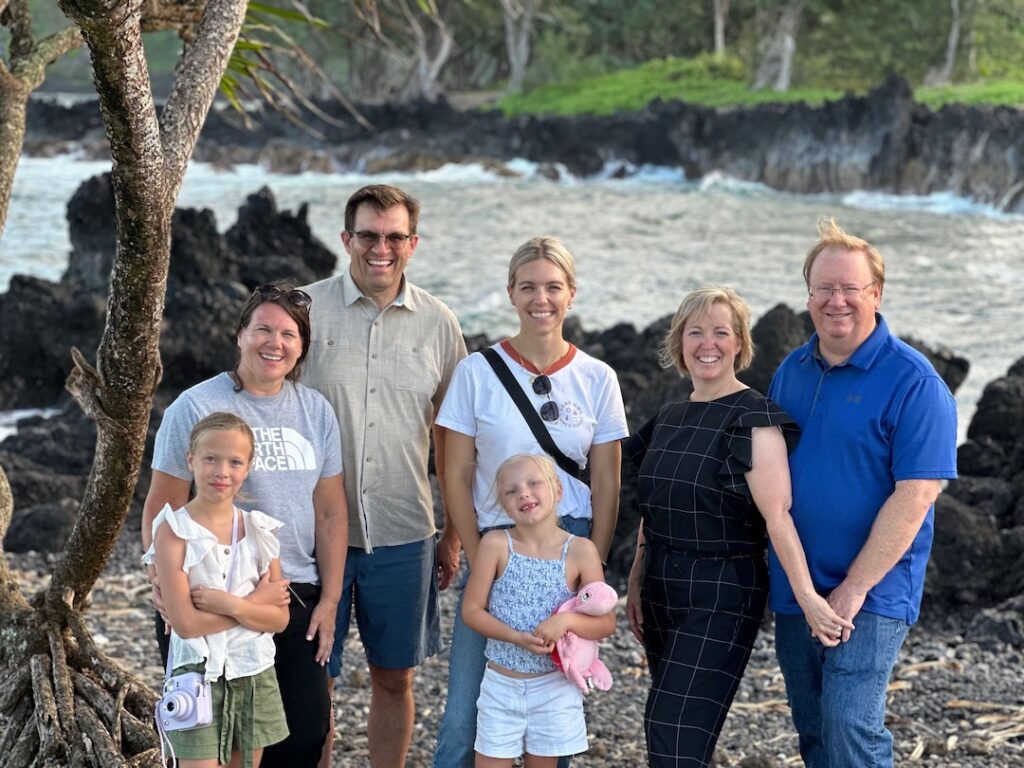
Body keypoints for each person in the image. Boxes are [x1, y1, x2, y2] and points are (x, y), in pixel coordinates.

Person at [623, 286, 851, 768]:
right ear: (680, 342)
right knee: (673, 731)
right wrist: (637, 577)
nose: (708, 343)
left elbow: (778, 517)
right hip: (663, 585)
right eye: (696, 332)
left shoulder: (754, 418)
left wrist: (808, 597)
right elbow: (653, 504)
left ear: (740, 343)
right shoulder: (668, 418)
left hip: (723, 591)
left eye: (721, 332)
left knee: (673, 729)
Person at [767, 218, 957, 767]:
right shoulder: (791, 370)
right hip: (797, 586)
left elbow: (917, 496)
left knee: (851, 729)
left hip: (871, 594)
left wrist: (851, 591)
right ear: (808, 296)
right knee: (815, 732)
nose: (837, 300)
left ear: (875, 294)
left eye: (850, 288)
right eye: (824, 288)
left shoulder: (915, 383)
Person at [433, 235, 628, 768]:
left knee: (557, 701)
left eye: (553, 287)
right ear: (511, 294)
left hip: (569, 544)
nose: (540, 299)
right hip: (498, 543)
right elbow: (455, 472)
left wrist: (594, 567)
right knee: (466, 707)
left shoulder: (597, 378)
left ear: (571, 294)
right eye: (528, 287)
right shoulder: (477, 372)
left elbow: (608, 481)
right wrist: (477, 554)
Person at [143, 281, 348, 768]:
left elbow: (331, 511)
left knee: (301, 738)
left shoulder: (315, 411)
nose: (274, 342)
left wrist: (332, 600)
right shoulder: (192, 408)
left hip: (289, 593)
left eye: (288, 334)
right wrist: (160, 582)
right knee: (211, 740)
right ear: (240, 335)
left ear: (301, 348)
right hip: (206, 593)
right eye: (263, 329)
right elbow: (162, 505)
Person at [301, 184, 467, 768]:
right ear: (345, 239)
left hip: (404, 530)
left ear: (412, 244)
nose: (381, 248)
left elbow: (453, 438)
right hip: (310, 535)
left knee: (394, 679)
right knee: (310, 680)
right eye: (368, 235)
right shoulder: (303, 310)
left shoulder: (440, 325)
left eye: (394, 237)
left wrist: (452, 532)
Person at [144, 412, 290, 768]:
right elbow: (186, 624)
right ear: (191, 460)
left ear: (248, 467)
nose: (221, 471)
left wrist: (227, 603)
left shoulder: (260, 531)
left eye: (234, 462)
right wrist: (252, 606)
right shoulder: (173, 530)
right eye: (210, 458)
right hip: (196, 675)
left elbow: (280, 618)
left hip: (253, 671)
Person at [463, 453, 616, 767]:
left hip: (554, 688)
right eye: (511, 491)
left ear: (558, 490)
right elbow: (472, 611)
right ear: (503, 504)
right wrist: (515, 637)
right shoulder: (495, 544)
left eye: (534, 483)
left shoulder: (580, 550)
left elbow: (605, 622)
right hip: (501, 686)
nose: (524, 493)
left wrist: (567, 621)